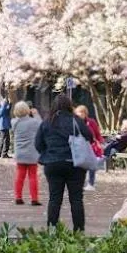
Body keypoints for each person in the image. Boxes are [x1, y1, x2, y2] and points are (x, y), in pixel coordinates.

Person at [35, 93, 94, 232]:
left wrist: (49, 152)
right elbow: (89, 137)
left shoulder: (47, 122)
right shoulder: (76, 120)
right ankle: (79, 231)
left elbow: (38, 144)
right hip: (75, 164)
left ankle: (52, 230)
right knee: (76, 199)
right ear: (69, 105)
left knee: (54, 198)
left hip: (53, 163)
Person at [10, 101, 42, 206]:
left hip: (20, 153)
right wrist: (36, 114)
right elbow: (41, 125)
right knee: (32, 176)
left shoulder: (14, 122)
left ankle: (18, 197)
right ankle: (34, 199)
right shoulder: (33, 122)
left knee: (20, 176)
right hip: (32, 153)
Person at [73, 104, 104, 190]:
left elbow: (97, 134)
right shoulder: (74, 122)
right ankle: (80, 183)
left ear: (86, 113)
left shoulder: (91, 122)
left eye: (83, 113)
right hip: (79, 147)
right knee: (80, 165)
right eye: (79, 113)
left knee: (91, 165)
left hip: (91, 146)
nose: (81, 115)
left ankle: (91, 183)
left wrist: (100, 142)